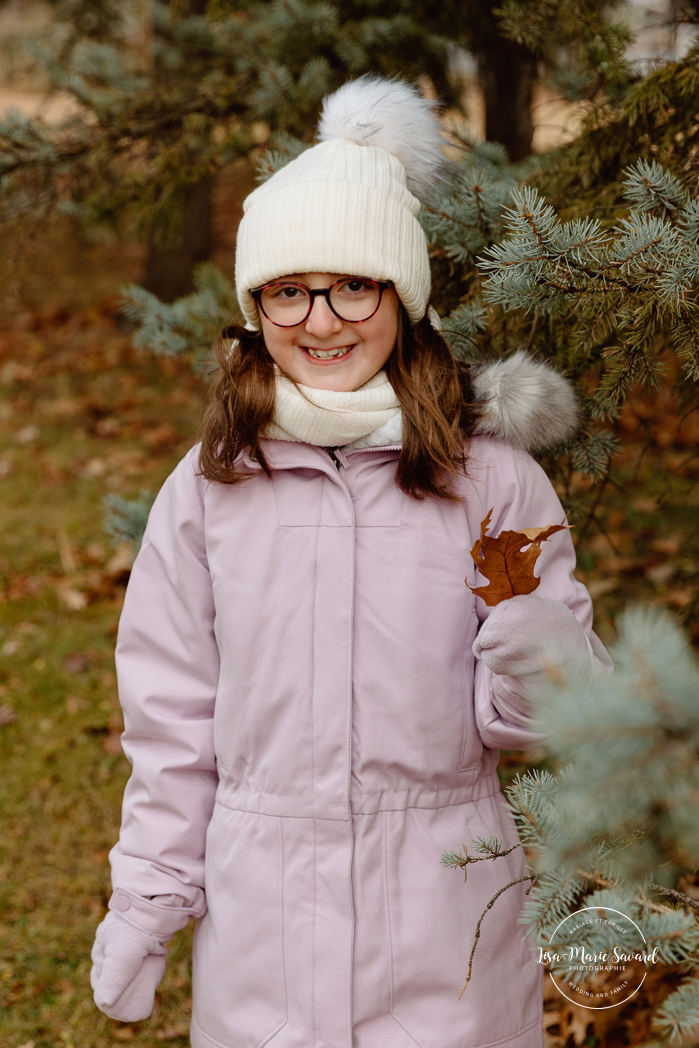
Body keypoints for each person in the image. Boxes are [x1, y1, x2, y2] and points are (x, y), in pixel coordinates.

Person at [90, 76, 612, 1048]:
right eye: (289, 289)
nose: (320, 321)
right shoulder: (210, 489)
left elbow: (553, 717)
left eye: (352, 285)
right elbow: (170, 723)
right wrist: (149, 900)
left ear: (401, 297)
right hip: (263, 930)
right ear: (254, 306)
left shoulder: (490, 481)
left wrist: (523, 616)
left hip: (446, 917)